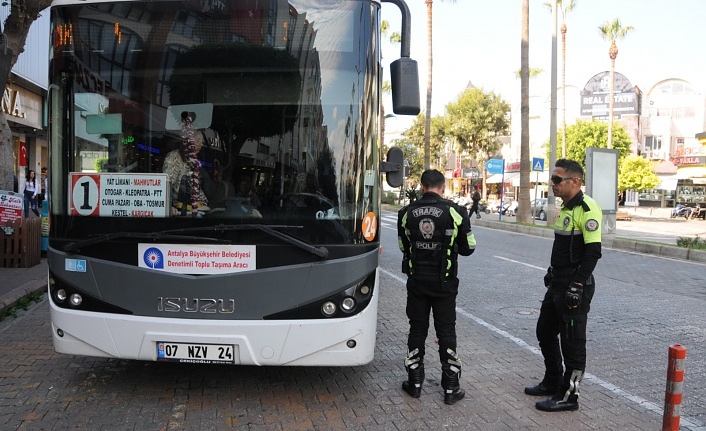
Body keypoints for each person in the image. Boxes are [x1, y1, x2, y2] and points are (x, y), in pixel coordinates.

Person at [524, 159, 602, 412]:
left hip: (574, 286)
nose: (552, 184)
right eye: (552, 179)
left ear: (575, 181)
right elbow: (563, 248)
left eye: (557, 180)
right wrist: (552, 272)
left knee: (573, 343)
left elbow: (593, 252)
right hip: (557, 282)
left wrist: (578, 284)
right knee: (544, 332)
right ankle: (553, 380)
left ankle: (569, 396)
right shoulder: (566, 208)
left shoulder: (587, 208)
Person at [397, 169, 476, 405]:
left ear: (422, 187)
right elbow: (469, 247)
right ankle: (451, 388)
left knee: (417, 330)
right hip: (445, 284)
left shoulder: (405, 213)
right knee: (446, 332)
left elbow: (403, 246)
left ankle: (415, 382)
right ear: (443, 188)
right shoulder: (457, 211)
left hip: (417, 282)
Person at [163, 130, 210, 214]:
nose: (201, 144)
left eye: (201, 141)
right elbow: (166, 186)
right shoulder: (173, 157)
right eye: (198, 141)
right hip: (182, 211)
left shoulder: (193, 161)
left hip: (198, 208)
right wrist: (169, 206)